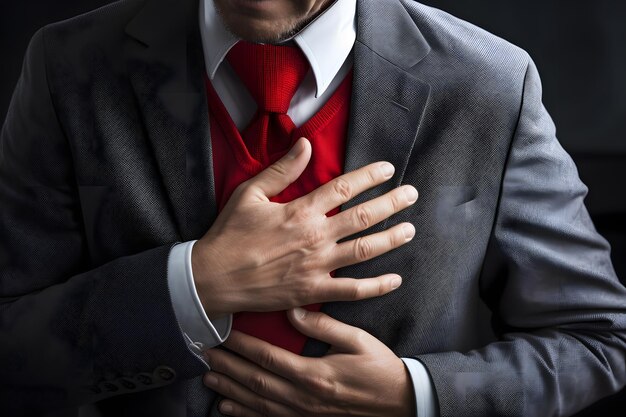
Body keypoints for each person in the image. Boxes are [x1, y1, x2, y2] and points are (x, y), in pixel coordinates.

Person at [0, 0, 624, 416]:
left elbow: (601, 339)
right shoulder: (70, 66)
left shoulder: (489, 84)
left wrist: (417, 397)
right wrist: (196, 284)